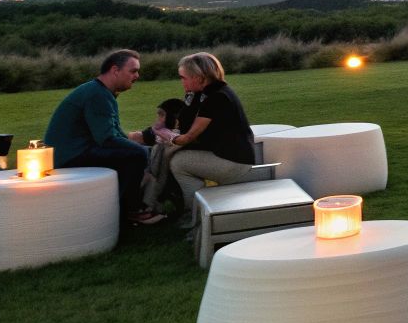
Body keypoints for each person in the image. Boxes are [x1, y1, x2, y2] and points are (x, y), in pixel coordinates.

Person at [43, 49, 164, 225]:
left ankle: (144, 203)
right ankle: (126, 211)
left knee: (143, 151)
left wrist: (148, 137)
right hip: (70, 156)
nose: (137, 75)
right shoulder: (97, 94)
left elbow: (115, 134)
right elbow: (107, 139)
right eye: (133, 71)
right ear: (115, 70)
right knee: (137, 155)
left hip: (79, 150)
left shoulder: (101, 92)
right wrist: (140, 149)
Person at [165, 52, 258, 228]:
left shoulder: (216, 98)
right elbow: (185, 123)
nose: (181, 82)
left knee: (177, 161)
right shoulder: (208, 94)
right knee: (172, 156)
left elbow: (189, 136)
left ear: (199, 77)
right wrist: (189, 99)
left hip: (234, 162)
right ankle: (195, 208)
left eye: (183, 77)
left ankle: (195, 213)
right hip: (232, 156)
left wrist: (170, 140)